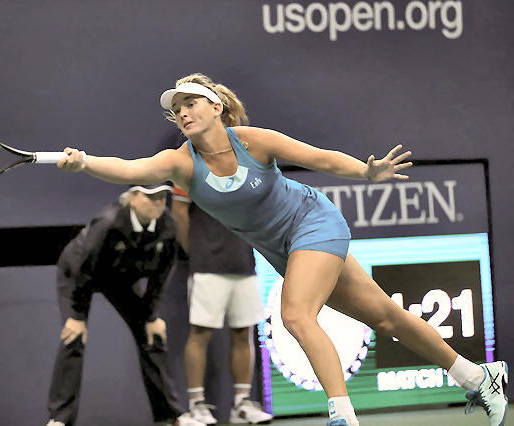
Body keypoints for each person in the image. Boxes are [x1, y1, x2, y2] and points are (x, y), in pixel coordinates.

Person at [56, 74, 509, 426]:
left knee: (295, 315)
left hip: (314, 223)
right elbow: (129, 169)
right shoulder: (179, 163)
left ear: (216, 107)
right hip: (282, 249)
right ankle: (477, 376)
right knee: (386, 316)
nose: (183, 113)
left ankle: (342, 416)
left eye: (190, 103)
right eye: (176, 110)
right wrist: (85, 162)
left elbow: (320, 158)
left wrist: (366, 173)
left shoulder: (254, 141)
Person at [46, 183, 205, 426]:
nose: (158, 202)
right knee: (74, 337)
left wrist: (151, 317)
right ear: (132, 198)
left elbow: (159, 277)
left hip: (120, 279)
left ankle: (170, 416)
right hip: (79, 276)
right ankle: (59, 419)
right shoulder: (108, 223)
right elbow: (81, 267)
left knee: (151, 335)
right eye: (151, 196)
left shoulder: (168, 227)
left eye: (162, 196)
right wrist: (76, 316)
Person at [171, 185, 273, 425]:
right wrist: (195, 250)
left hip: (243, 263)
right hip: (206, 264)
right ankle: (196, 405)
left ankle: (241, 404)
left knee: (243, 332)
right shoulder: (191, 166)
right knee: (200, 333)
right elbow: (178, 211)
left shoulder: (247, 168)